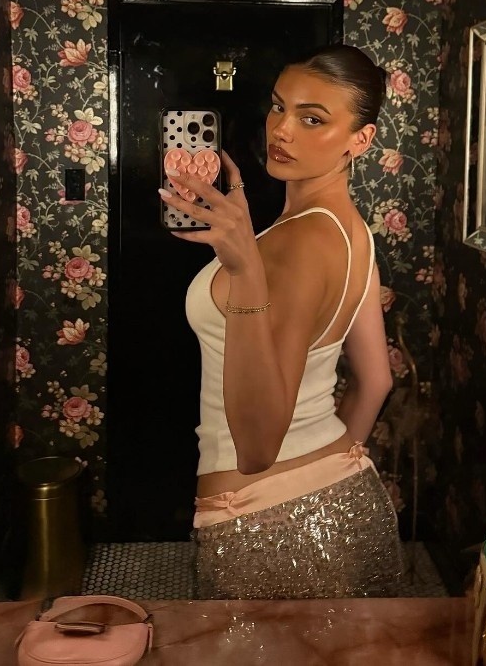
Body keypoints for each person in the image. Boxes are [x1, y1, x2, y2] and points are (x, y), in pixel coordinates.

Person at [158, 44, 404, 599]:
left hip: (262, 523)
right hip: (345, 492)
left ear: (360, 139)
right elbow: (376, 380)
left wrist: (245, 270)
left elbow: (257, 450)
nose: (282, 130)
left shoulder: (299, 243)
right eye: (278, 107)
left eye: (312, 119)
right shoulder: (351, 230)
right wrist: (324, 485)